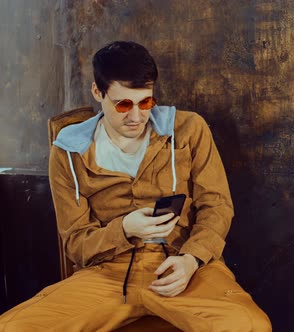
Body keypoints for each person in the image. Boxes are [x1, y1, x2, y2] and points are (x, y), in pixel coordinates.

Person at [0, 41, 271, 331]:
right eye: (123, 104)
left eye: (145, 102)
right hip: (108, 275)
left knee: (249, 326)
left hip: (183, 265)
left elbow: (216, 206)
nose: (136, 116)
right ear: (97, 92)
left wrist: (192, 259)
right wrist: (125, 229)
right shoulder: (68, 151)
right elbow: (76, 243)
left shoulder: (189, 129)